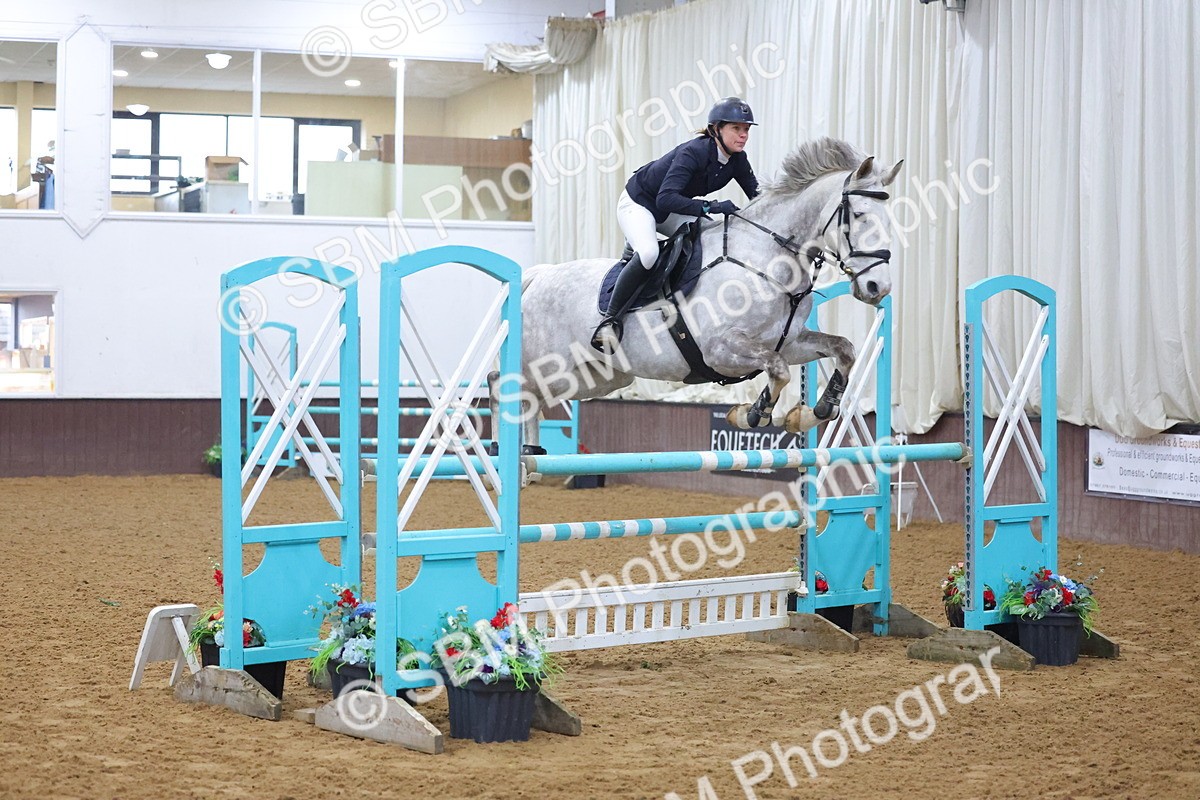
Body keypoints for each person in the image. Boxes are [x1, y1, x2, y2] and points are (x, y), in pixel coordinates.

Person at [591, 96, 760, 352]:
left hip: (672, 208)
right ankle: (609, 321)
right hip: (640, 203)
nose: (743, 135)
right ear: (716, 129)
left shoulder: (738, 160)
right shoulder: (693, 152)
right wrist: (712, 206)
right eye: (736, 128)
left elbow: (757, 197)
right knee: (649, 253)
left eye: (746, 129)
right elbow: (665, 198)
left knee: (710, 235)